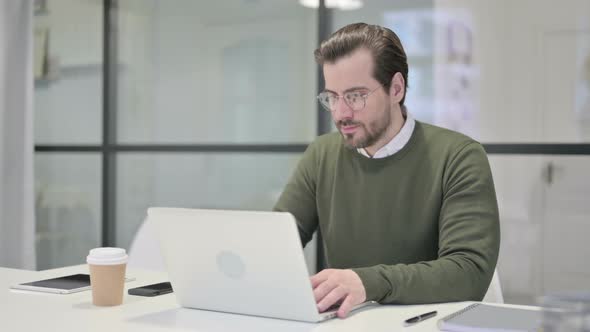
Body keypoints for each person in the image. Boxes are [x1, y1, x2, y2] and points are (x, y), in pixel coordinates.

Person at [273, 23, 500, 318]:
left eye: (355, 96)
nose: (341, 113)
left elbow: (469, 272)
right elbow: (277, 240)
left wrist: (367, 282)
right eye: (332, 97)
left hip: (427, 323)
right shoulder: (322, 153)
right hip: (349, 323)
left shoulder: (459, 156)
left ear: (396, 88)